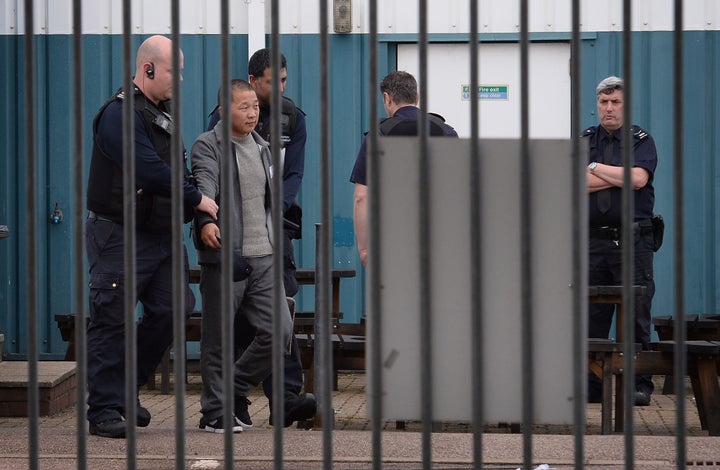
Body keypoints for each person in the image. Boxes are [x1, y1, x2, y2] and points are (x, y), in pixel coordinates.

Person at [85, 35, 219, 438]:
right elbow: (147, 168)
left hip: (160, 236)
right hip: (120, 235)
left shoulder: (161, 113)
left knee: (174, 308)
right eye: (172, 70)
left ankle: (125, 387)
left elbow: (174, 168)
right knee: (112, 318)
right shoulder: (119, 114)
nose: (179, 78)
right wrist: (197, 199)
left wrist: (193, 204)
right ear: (147, 70)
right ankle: (104, 409)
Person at [207, 49, 315, 427]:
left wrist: (276, 207)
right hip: (236, 238)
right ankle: (234, 401)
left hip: (275, 231)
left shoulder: (293, 118)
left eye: (284, 80)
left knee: (282, 313)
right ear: (254, 80)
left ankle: (284, 399)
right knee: (240, 319)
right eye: (274, 81)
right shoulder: (226, 115)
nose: (281, 87)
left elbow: (294, 174)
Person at [191, 79, 295, 433]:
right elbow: (203, 183)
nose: (253, 113)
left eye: (255, 107)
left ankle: (231, 390)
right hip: (226, 254)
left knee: (279, 332)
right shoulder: (208, 146)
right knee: (218, 338)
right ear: (224, 110)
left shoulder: (264, 147)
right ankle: (213, 412)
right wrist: (206, 219)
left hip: (264, 255)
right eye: (244, 107)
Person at [584, 76, 658, 406]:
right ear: (597, 105)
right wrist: (618, 177)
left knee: (635, 313)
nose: (609, 108)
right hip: (593, 243)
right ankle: (594, 384)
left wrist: (596, 167)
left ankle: (638, 384)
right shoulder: (585, 139)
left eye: (615, 102)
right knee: (593, 317)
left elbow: (639, 179)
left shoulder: (641, 140)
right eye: (604, 102)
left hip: (633, 243)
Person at [350, 70, 458, 266]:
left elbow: (361, 197)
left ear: (387, 98)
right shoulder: (446, 133)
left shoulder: (379, 136)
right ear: (417, 97)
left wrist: (364, 248)